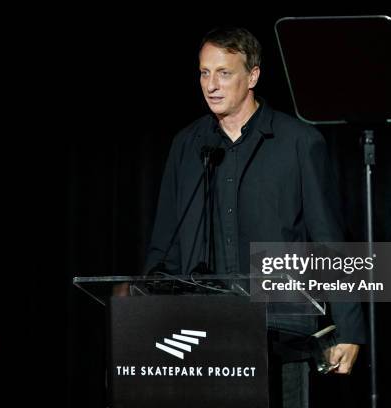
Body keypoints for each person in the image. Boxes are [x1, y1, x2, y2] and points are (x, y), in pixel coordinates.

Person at [144, 26, 365, 407]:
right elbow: (165, 239)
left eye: (224, 72)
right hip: (204, 329)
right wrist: (147, 310)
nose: (211, 85)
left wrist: (348, 328)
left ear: (253, 76)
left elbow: (331, 241)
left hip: (283, 329)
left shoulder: (298, 142)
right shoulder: (187, 145)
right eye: (204, 72)